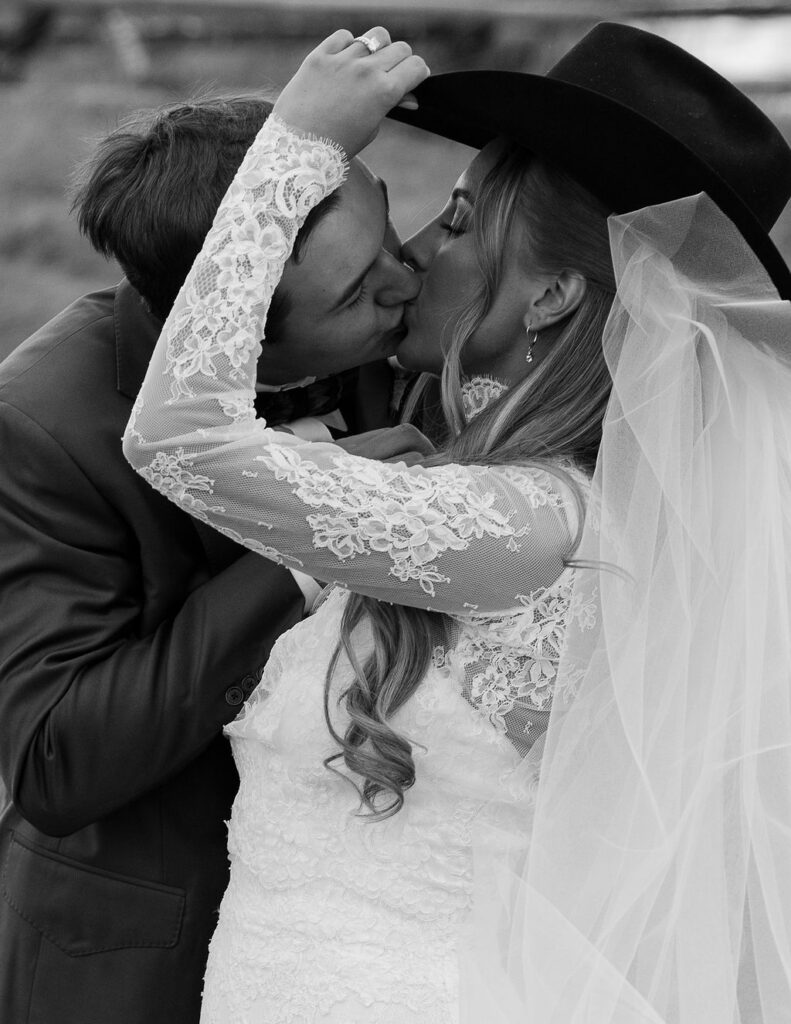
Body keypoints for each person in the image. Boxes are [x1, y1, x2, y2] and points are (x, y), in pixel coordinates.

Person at [123, 22, 791, 1024]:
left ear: (553, 294)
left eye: (463, 222)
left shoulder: (531, 523)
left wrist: (294, 148)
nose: (422, 246)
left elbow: (177, 431)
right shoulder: (488, 491)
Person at [0, 92, 421, 1023]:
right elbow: (56, 759)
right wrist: (310, 531)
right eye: (357, 293)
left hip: (382, 932)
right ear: (230, 317)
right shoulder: (43, 424)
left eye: (388, 232)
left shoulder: (402, 338)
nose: (405, 283)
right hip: (150, 954)